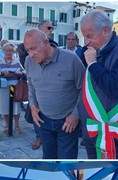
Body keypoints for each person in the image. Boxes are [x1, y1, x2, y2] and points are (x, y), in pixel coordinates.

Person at [77, 9, 118, 159]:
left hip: (116, 129)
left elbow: (115, 89)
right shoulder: (89, 50)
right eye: (84, 36)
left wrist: (93, 64)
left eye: (89, 36)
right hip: (91, 126)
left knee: (116, 171)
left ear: (105, 31)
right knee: (94, 170)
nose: (86, 42)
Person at [24, 29, 85, 159]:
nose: (31, 54)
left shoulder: (71, 60)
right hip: (43, 119)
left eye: (33, 48)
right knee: (48, 159)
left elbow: (85, 89)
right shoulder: (29, 61)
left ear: (46, 42)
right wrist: (33, 105)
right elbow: (31, 85)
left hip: (67, 121)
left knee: (66, 162)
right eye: (28, 50)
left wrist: (75, 115)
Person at [17, 20, 58, 151]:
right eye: (48, 28)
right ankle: (38, 137)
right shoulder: (24, 48)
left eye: (52, 28)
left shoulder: (55, 46)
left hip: (52, 90)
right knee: (35, 113)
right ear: (40, 29)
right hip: (37, 86)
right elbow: (26, 63)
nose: (51, 30)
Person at [0, 42, 25, 134]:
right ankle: (6, 124)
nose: (8, 53)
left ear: (13, 51)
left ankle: (17, 124)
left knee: (15, 106)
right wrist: (2, 73)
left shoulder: (16, 61)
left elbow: (24, 71)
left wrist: (20, 73)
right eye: (7, 51)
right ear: (4, 51)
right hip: (3, 87)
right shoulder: (0, 61)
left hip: (14, 87)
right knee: (4, 106)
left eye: (10, 51)